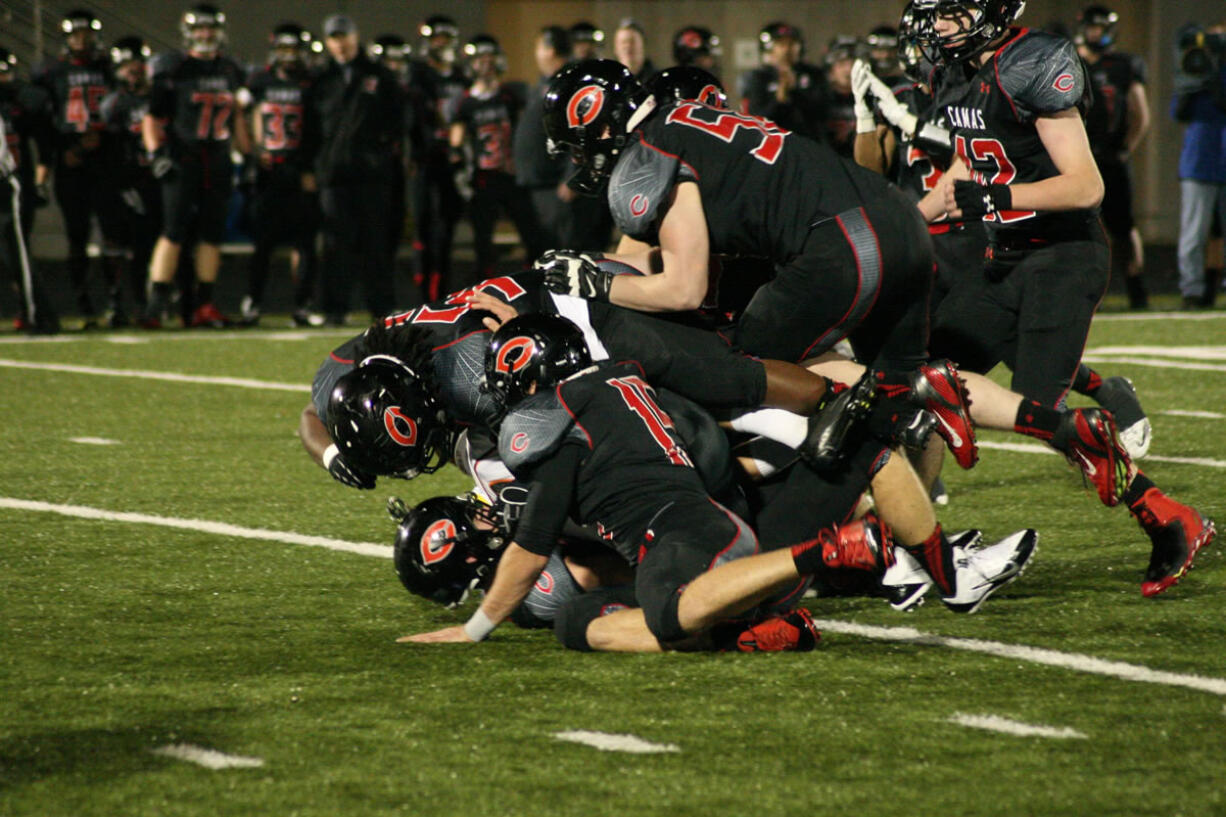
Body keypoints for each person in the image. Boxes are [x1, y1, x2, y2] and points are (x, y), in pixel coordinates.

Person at [142, 4, 250, 328]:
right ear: (189, 32)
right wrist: (156, 153)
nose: (206, 35)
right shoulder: (174, 67)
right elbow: (153, 116)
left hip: (217, 159)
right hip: (183, 158)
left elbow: (238, 117)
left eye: (211, 29)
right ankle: (155, 305)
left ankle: (204, 304)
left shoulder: (231, 69)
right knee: (173, 231)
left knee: (212, 235)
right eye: (200, 29)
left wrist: (249, 154)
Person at [302, 14, 404, 326]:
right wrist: (309, 168)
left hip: (372, 175)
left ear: (355, 37)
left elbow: (397, 120)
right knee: (335, 244)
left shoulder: (379, 75)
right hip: (333, 175)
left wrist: (381, 155)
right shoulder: (320, 80)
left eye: (344, 36)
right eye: (334, 38)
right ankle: (336, 308)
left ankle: (382, 308)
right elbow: (310, 130)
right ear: (327, 42)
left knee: (376, 242)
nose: (340, 44)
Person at [34, 8, 123, 329]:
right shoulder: (51, 73)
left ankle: (116, 301)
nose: (82, 41)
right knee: (78, 235)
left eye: (87, 35)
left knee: (112, 234)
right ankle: (84, 303)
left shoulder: (108, 68)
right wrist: (65, 149)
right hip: (71, 162)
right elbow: (44, 123)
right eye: (76, 35)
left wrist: (104, 137)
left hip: (105, 160)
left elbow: (123, 111)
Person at [239, 22, 320, 327]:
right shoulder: (259, 81)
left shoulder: (312, 83)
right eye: (283, 49)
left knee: (305, 243)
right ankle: (253, 301)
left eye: (294, 49)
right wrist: (250, 152)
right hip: (268, 171)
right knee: (263, 244)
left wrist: (311, 167)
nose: (288, 56)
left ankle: (302, 304)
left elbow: (319, 128)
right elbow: (238, 113)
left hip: (300, 170)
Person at [449, 35, 547, 285]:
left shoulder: (511, 94)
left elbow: (528, 129)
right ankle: (485, 290)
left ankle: (535, 285)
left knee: (533, 236)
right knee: (483, 242)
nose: (486, 66)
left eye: (490, 60)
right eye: (480, 61)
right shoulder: (465, 102)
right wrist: (460, 170)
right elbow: (456, 142)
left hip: (513, 175)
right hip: (483, 178)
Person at [1077, 5, 1151, 309]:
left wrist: (1125, 149)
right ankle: (1082, 291)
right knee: (1079, 227)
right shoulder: (1070, 61)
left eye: (1100, 28)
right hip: (1079, 160)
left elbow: (1140, 114)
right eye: (1091, 28)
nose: (1095, 34)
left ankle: (1136, 286)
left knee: (1123, 226)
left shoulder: (1124, 65)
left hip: (1110, 158)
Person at [0, 51, 59, 335]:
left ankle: (37, 313)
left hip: (9, 184)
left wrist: (39, 183)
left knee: (16, 254)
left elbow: (44, 148)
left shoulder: (19, 105)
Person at [99, 37, 156, 327]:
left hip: (156, 181)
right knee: (119, 245)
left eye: (137, 66)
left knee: (148, 246)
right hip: (123, 181)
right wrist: (121, 185)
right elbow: (109, 150)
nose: (132, 71)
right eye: (126, 66)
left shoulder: (157, 98)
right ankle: (116, 303)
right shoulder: (114, 103)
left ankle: (148, 305)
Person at [410, 15, 468, 301]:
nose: (442, 44)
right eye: (436, 39)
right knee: (422, 231)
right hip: (424, 162)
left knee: (445, 233)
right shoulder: (418, 75)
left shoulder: (461, 76)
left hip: (453, 161)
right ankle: (422, 296)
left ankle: (441, 294)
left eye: (445, 38)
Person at [1171, 20, 1226, 309]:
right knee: (1193, 233)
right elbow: (1178, 112)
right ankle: (1191, 291)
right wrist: (1192, 85)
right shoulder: (1194, 67)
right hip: (1199, 161)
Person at [513, 26, 573, 249]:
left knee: (557, 251)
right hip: (537, 183)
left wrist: (571, 176)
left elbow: (579, 132)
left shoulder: (567, 83)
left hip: (553, 185)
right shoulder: (545, 82)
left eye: (539, 47)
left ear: (549, 50)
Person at [738, 22, 829, 143]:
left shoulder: (813, 74)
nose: (787, 49)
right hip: (772, 144)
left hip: (808, 143)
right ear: (770, 48)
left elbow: (823, 111)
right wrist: (779, 100)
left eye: (792, 44)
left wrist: (795, 91)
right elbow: (755, 118)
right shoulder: (759, 77)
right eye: (781, 44)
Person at [822, 35, 863, 158]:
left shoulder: (874, 100)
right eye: (841, 64)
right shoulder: (818, 102)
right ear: (830, 71)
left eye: (853, 64)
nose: (848, 70)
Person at [613, 19, 656, 84]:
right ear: (615, 48)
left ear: (643, 45)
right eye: (623, 42)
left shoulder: (656, 80)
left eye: (632, 41)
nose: (628, 46)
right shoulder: (609, 81)